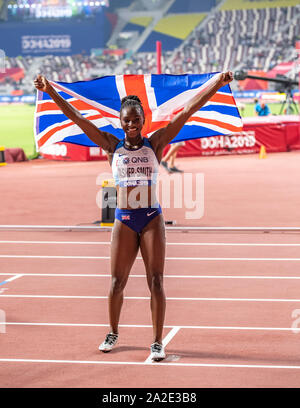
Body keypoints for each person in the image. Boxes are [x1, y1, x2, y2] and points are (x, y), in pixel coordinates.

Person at [34, 71, 233, 361]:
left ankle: (156, 341)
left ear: (143, 120)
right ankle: (113, 332)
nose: (131, 124)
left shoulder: (157, 142)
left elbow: (188, 110)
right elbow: (77, 117)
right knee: (117, 282)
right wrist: (50, 89)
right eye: (126, 120)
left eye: (136, 119)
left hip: (152, 218)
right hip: (124, 220)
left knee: (156, 281)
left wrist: (217, 83)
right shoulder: (110, 145)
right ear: (120, 121)